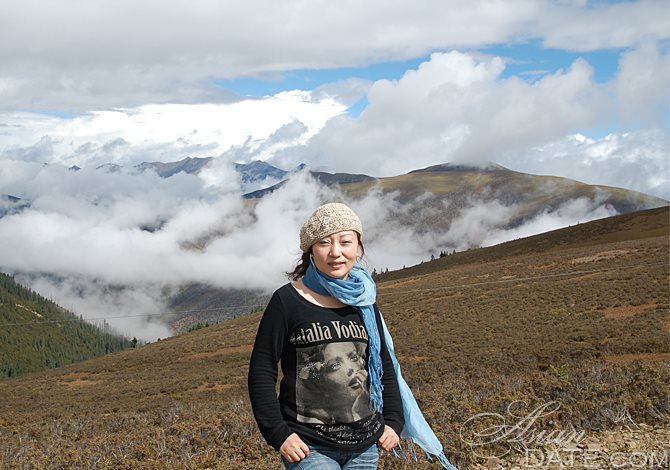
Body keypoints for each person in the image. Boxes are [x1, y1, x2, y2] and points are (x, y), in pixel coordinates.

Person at [248, 202, 457, 470]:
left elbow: (383, 364)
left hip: (364, 445)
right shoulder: (287, 301)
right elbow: (262, 369)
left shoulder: (365, 302)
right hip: (308, 446)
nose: (336, 252)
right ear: (310, 250)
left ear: (358, 247)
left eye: (345, 242)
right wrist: (278, 434)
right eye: (324, 243)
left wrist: (394, 421)